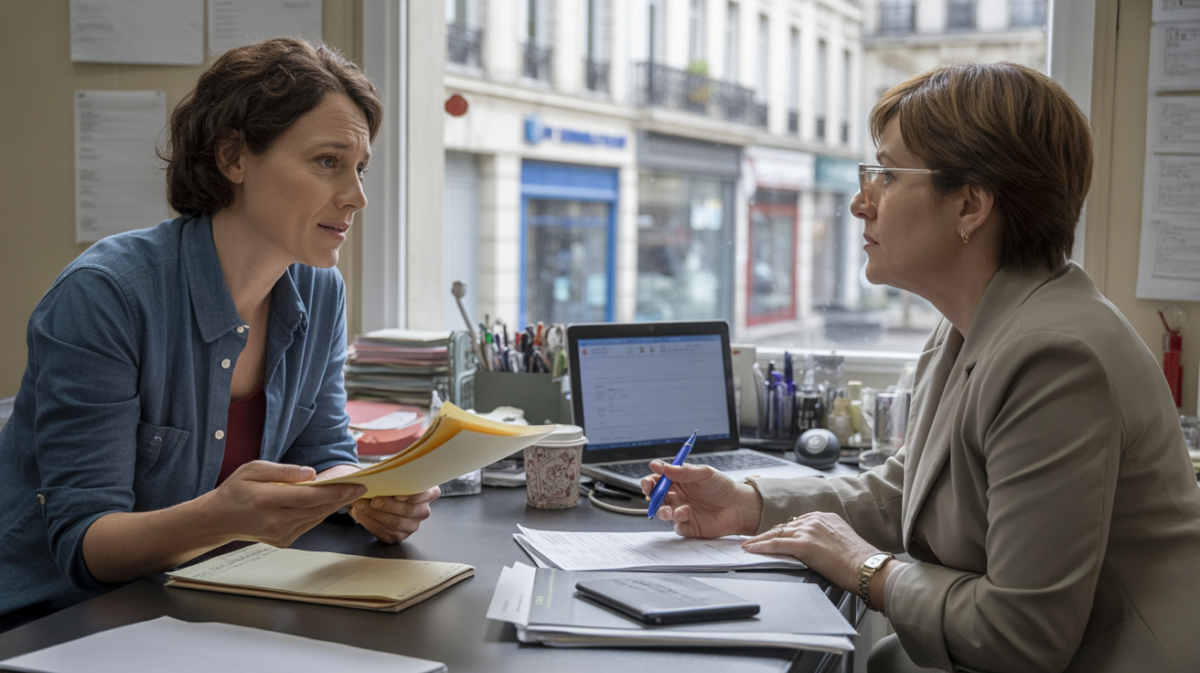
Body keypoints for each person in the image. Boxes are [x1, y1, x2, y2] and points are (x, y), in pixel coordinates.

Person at [643, 63, 1200, 673]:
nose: (860, 203)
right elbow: (907, 489)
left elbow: (1023, 635)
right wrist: (747, 503)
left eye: (885, 174)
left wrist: (863, 567)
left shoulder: (1057, 357)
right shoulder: (972, 322)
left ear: (970, 204)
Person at [0, 38, 438, 629]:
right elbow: (85, 544)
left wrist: (369, 497)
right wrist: (222, 516)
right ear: (233, 158)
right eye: (328, 161)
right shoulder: (104, 297)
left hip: (206, 600)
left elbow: (322, 455)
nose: (356, 197)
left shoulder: (318, 289)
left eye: (360, 168)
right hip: (58, 619)